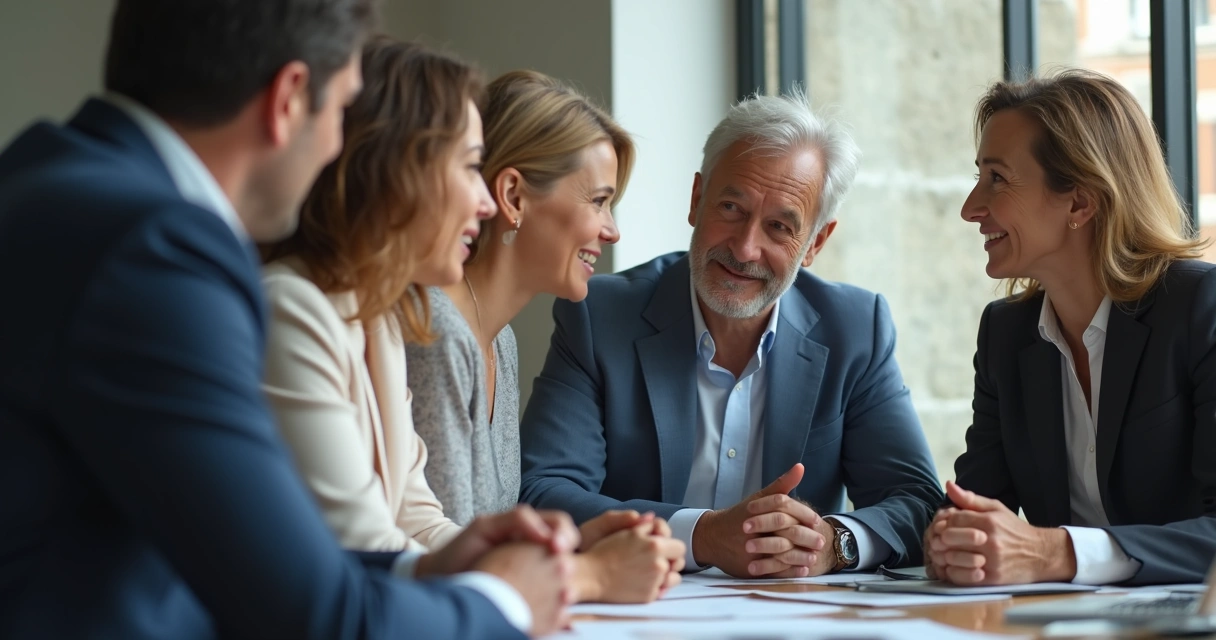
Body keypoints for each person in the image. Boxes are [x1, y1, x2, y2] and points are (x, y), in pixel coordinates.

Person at [0, 3, 576, 638]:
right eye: (341, 110)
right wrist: (508, 601)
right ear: (289, 100)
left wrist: (433, 567)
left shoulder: (46, 180)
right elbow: (318, 617)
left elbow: (250, 557)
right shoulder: (156, 249)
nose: (340, 149)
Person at [262, 44, 681, 604]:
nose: (483, 203)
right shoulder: (300, 310)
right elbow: (366, 550)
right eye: (467, 167)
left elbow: (421, 522)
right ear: (399, 173)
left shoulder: (381, 321)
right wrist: (587, 576)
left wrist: (569, 551)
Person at [518, 89, 945, 579]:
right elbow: (542, 490)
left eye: (780, 227)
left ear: (815, 243)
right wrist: (703, 535)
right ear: (697, 199)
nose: (745, 249)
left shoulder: (856, 329)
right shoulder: (600, 316)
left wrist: (833, 542)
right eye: (731, 208)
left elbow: (918, 503)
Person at [926, 69, 1216, 587]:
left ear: (1080, 202)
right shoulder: (1005, 334)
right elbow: (970, 511)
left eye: (997, 178)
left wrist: (1055, 552)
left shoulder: (1201, 308)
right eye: (978, 176)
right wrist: (954, 542)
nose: (972, 208)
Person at [405, 70, 686, 603]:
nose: (612, 230)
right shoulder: (437, 330)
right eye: (599, 200)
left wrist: (578, 542)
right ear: (513, 195)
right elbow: (450, 561)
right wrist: (591, 570)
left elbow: (480, 540)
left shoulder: (500, 341)